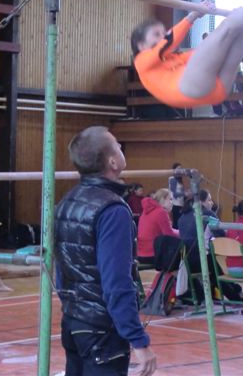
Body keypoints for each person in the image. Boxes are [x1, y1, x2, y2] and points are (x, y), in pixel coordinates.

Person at [54, 126, 156, 376]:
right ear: (113, 161)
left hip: (74, 322)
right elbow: (117, 281)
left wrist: (72, 308)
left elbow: (60, 271)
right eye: (118, 145)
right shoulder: (113, 210)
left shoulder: (66, 201)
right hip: (101, 330)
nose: (121, 148)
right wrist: (138, 339)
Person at [137, 188, 180, 266]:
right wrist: (181, 233)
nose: (172, 203)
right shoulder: (161, 212)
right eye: (170, 199)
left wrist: (177, 231)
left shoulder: (146, 211)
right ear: (163, 199)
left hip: (141, 254)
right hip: (153, 254)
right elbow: (169, 234)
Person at [168, 163, 187, 229]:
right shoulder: (172, 179)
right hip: (175, 204)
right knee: (176, 223)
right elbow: (174, 194)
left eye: (181, 169)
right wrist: (185, 193)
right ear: (174, 170)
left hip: (181, 204)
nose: (180, 170)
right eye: (178, 168)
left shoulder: (179, 179)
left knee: (180, 223)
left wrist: (185, 194)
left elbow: (180, 193)